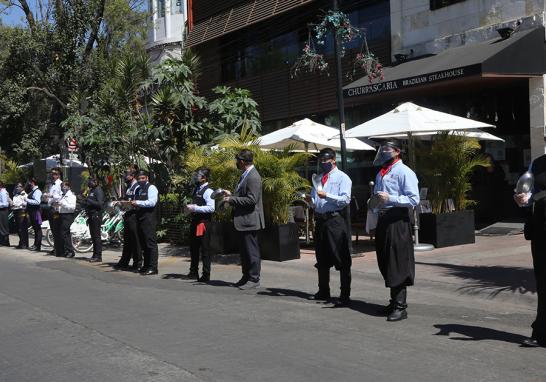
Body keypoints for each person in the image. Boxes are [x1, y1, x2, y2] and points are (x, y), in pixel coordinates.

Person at [372, 140, 419, 322]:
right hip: (384, 218)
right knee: (385, 259)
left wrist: (390, 197)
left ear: (397, 151)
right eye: (381, 149)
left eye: (387, 149)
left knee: (397, 260)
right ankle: (393, 302)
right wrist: (374, 206)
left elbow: (413, 199)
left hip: (398, 218)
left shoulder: (404, 172)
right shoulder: (381, 172)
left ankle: (401, 307)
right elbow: (377, 197)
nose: (383, 152)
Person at [309, 148, 352, 306]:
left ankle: (345, 294)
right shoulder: (319, 178)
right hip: (321, 220)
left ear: (333, 160)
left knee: (341, 257)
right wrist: (311, 200)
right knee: (321, 257)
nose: (323, 164)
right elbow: (315, 198)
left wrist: (327, 195)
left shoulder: (342, 178)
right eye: (321, 162)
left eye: (325, 161)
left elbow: (345, 200)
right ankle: (323, 290)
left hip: (335, 219)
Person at [514, 155, 546, 347]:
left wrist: (533, 197)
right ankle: (541, 332)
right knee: (543, 283)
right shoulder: (538, 163)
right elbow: (525, 189)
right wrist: (520, 198)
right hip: (541, 228)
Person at [223, 149, 265, 290]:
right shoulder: (245, 174)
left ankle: (254, 279)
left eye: (237, 160)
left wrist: (232, 199)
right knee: (245, 251)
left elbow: (252, 199)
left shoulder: (253, 176)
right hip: (243, 220)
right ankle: (246, 276)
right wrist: (231, 194)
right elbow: (244, 194)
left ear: (242, 161)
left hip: (249, 220)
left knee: (251, 251)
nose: (236, 163)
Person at [186, 167, 215, 282]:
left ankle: (206, 274)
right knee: (193, 248)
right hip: (195, 221)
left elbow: (211, 208)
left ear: (204, 178)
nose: (195, 177)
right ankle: (193, 271)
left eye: (197, 175)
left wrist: (195, 208)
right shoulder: (196, 189)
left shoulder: (209, 191)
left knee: (205, 249)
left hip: (203, 223)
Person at [131, 170, 159, 275]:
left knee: (150, 243)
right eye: (138, 179)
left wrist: (138, 202)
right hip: (140, 218)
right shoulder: (138, 189)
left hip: (149, 219)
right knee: (143, 243)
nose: (140, 180)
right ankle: (146, 265)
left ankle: (153, 267)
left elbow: (152, 202)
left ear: (147, 178)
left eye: (143, 178)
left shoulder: (151, 188)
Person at [114, 167, 143, 271]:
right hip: (127, 214)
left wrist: (127, 203)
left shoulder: (137, 186)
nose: (125, 176)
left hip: (134, 215)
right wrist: (121, 202)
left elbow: (138, 201)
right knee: (127, 240)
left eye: (127, 174)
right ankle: (124, 261)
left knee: (135, 240)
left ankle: (138, 263)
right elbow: (127, 199)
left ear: (132, 176)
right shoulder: (128, 186)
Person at [81, 177, 105, 262]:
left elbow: (100, 204)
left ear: (95, 182)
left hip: (96, 215)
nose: (88, 183)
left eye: (90, 181)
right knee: (93, 236)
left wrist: (88, 200)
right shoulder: (92, 190)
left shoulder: (98, 190)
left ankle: (98, 256)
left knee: (96, 236)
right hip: (90, 215)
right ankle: (95, 254)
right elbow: (89, 202)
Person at [55, 181, 77, 258]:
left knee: (64, 233)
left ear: (68, 187)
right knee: (64, 234)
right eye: (62, 186)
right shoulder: (63, 196)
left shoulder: (72, 196)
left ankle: (70, 251)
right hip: (62, 215)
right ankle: (66, 250)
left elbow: (72, 208)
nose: (62, 188)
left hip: (68, 216)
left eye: (64, 186)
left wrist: (62, 204)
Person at [46, 168, 64, 256]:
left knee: (57, 229)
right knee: (53, 229)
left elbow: (61, 196)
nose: (53, 176)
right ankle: (55, 248)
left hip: (56, 208)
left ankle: (59, 249)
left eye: (55, 174)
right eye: (52, 174)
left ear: (59, 175)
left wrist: (51, 195)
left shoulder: (60, 184)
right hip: (51, 207)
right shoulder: (51, 185)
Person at [25, 178, 43, 251]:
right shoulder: (32, 191)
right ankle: (35, 244)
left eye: (29, 183)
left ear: (32, 183)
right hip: (32, 212)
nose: (28, 184)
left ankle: (37, 245)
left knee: (37, 228)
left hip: (36, 212)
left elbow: (37, 202)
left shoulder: (37, 191)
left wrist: (27, 200)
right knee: (35, 228)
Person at [11, 182, 29, 249]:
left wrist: (19, 205)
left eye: (19, 186)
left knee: (22, 228)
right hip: (16, 211)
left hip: (21, 211)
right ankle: (21, 242)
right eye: (17, 186)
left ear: (22, 187)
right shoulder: (16, 195)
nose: (18, 187)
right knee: (18, 228)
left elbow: (26, 203)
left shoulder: (24, 194)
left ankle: (24, 244)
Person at [0, 181, 11, 246]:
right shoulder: (1, 192)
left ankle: (5, 242)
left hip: (3, 210)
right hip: (2, 210)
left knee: (3, 226)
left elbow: (5, 204)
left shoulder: (3, 192)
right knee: (1, 226)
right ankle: (2, 241)